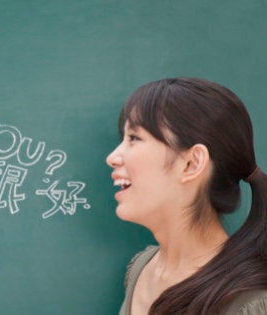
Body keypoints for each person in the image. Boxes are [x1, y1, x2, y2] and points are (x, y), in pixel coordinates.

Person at [106, 77, 267, 314]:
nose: (112, 157)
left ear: (192, 163)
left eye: (134, 138)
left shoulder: (248, 303)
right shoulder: (141, 268)